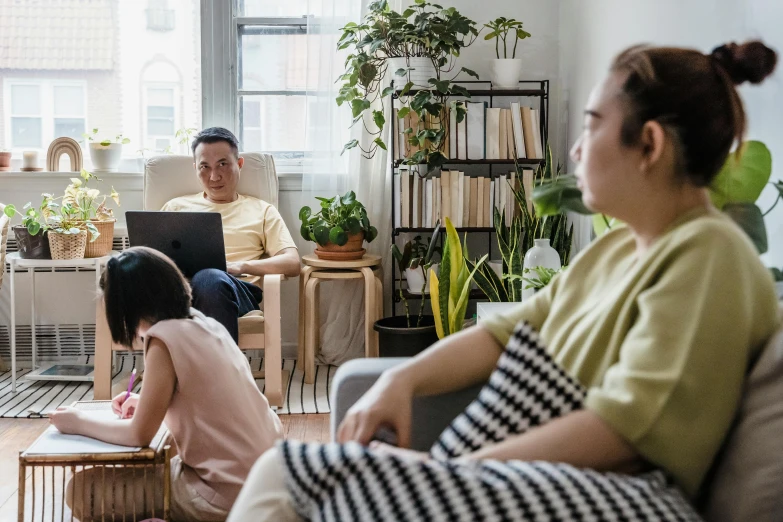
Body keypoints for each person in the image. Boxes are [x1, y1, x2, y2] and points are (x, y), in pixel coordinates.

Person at [227, 40, 780, 521]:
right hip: (545, 478)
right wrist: (404, 381)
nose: (575, 150)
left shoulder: (709, 253)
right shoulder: (618, 248)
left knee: (289, 472)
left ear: (650, 145)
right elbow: (507, 331)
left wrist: (455, 472)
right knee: (291, 474)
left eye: (592, 126)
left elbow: (630, 430)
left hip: (623, 496)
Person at [50, 247, 283, 521]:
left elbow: (139, 435)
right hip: (267, 480)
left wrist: (78, 422)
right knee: (160, 462)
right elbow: (202, 400)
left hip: (223, 496)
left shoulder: (163, 339)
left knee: (81, 490)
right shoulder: (205, 324)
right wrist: (146, 400)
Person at [161, 127, 300, 342]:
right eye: (204, 167)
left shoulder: (261, 210)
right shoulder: (176, 207)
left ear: (239, 164)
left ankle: (209, 373)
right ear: (195, 168)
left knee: (210, 277)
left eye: (223, 164)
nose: (214, 176)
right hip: (181, 293)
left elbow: (292, 263)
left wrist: (241, 266)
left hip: (237, 292)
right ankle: (218, 373)